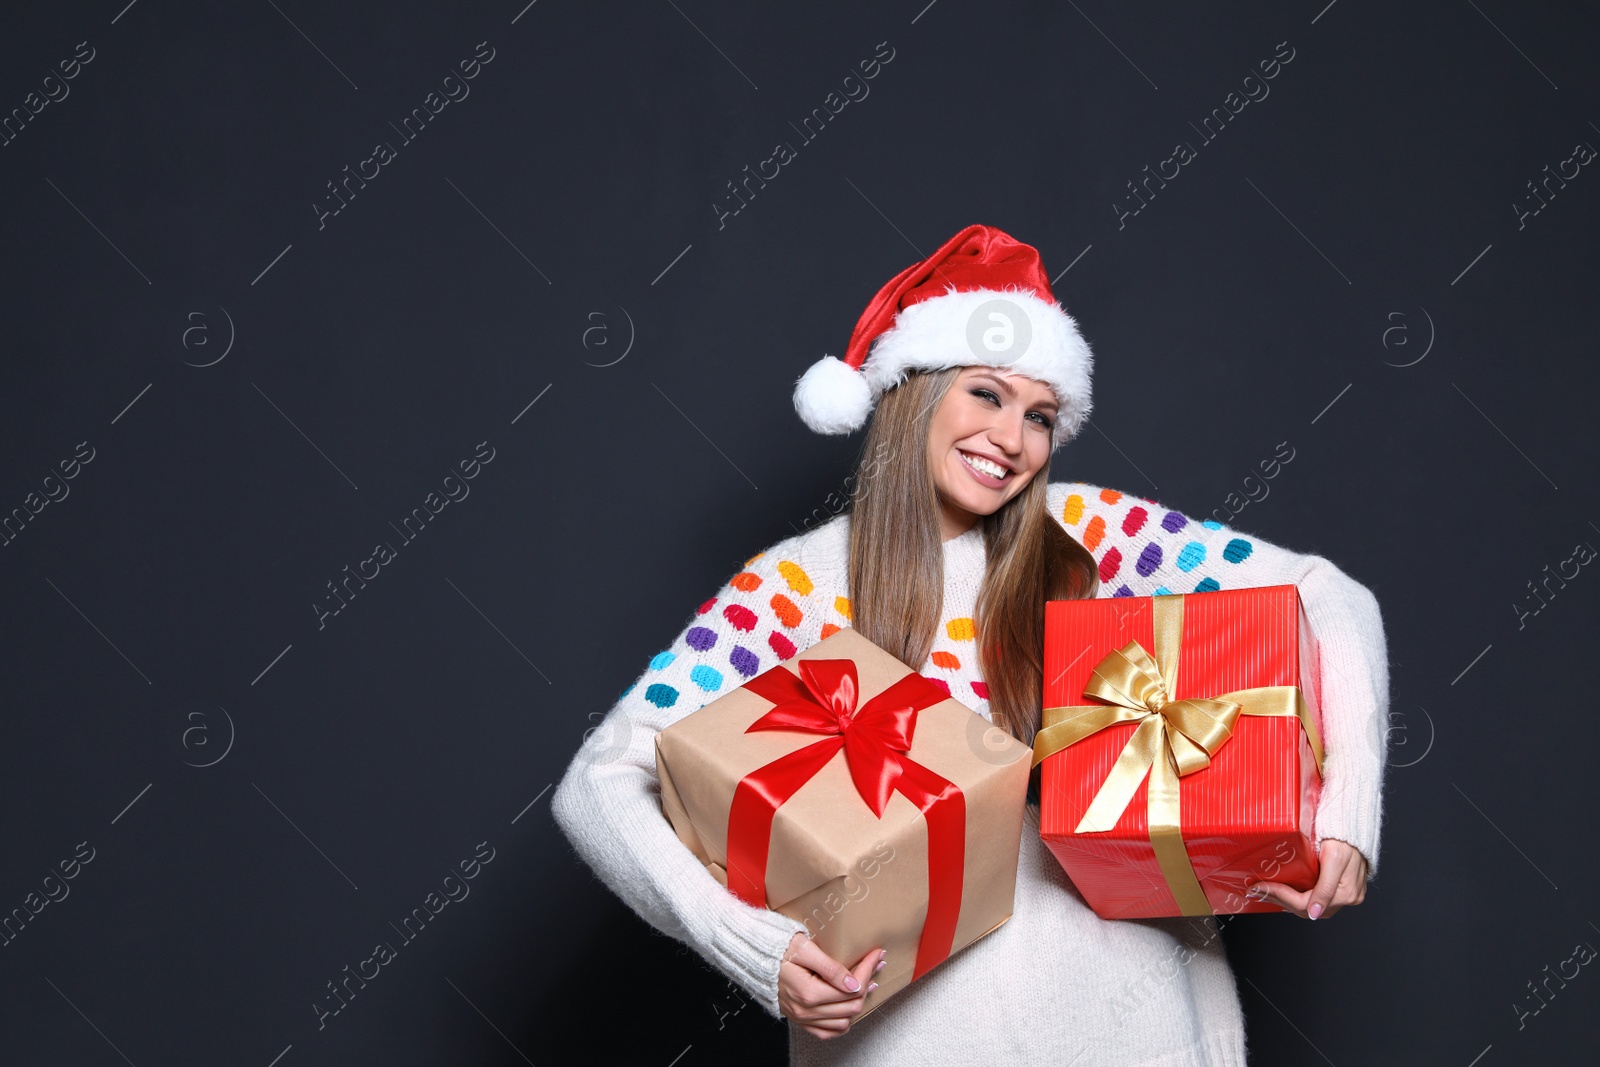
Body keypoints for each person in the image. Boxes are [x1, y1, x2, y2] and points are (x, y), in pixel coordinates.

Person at [552, 224, 1388, 1066]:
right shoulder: (796, 586)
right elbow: (598, 780)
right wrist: (748, 944)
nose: (1013, 439)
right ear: (914, 387)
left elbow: (1327, 595)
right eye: (985, 393)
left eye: (1040, 415)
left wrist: (1345, 815)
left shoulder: (1092, 536)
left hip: (1141, 1027)